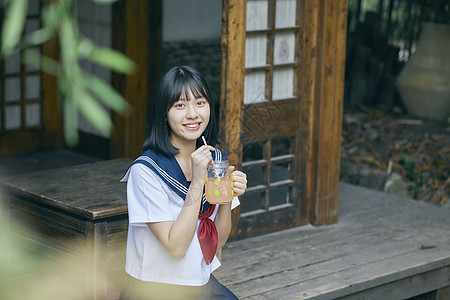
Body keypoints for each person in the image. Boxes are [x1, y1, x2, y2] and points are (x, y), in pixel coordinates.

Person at [119, 66, 247, 299]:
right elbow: (176, 247)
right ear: (163, 113)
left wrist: (227, 197)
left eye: (200, 102)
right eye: (180, 105)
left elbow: (218, 240)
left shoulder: (215, 160)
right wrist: (197, 183)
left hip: (199, 283)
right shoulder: (145, 172)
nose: (193, 114)